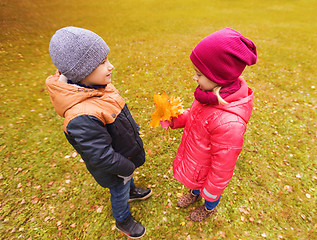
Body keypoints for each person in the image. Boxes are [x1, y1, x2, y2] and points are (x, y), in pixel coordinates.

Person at [46, 26, 151, 239]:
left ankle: (130, 190)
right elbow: (101, 156)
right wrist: (126, 167)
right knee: (119, 190)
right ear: (81, 72)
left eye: (107, 59)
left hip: (123, 156)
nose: (110, 66)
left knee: (126, 180)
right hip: (115, 168)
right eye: (102, 63)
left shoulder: (98, 87)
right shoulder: (80, 116)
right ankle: (123, 219)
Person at [166, 28, 257, 221]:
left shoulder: (229, 122)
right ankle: (194, 192)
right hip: (196, 160)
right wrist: (176, 118)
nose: (194, 78)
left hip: (208, 171)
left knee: (209, 193)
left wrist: (212, 189)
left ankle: (209, 207)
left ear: (218, 77)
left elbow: (223, 166)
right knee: (194, 182)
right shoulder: (207, 95)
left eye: (199, 74)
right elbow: (195, 116)